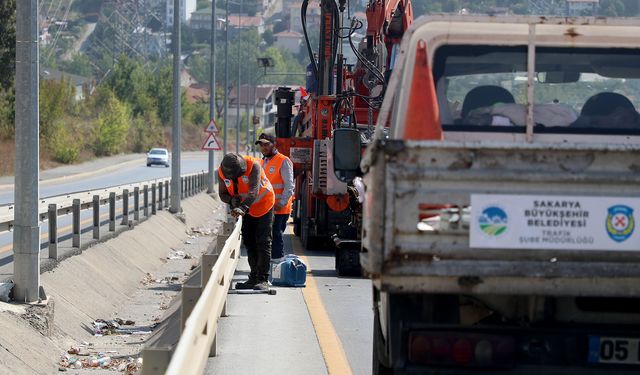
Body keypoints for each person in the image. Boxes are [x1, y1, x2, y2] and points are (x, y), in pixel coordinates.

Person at [218, 153, 275, 290]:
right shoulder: (222, 172)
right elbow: (222, 194)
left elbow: (253, 192)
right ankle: (253, 277)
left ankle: (263, 279)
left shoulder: (253, 166)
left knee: (263, 242)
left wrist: (242, 207)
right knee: (249, 242)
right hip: (246, 209)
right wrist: (231, 200)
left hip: (263, 205)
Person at [255, 133, 295, 262]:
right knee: (267, 236)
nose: (264, 147)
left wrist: (281, 203)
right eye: (261, 144)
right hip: (266, 207)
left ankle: (278, 261)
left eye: (266, 144)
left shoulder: (283, 161)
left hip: (279, 208)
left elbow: (289, 186)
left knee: (276, 234)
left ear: (274, 144)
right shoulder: (262, 162)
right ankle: (270, 262)